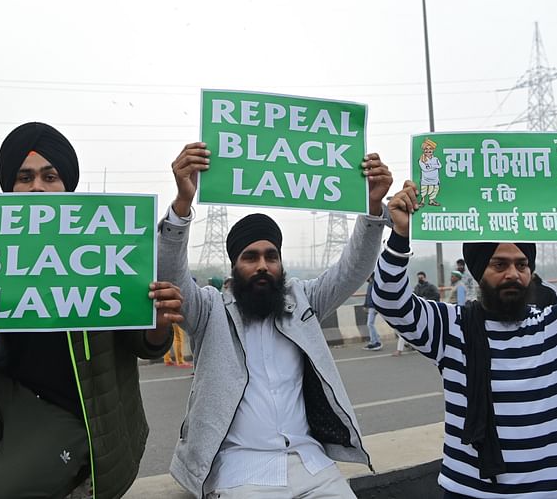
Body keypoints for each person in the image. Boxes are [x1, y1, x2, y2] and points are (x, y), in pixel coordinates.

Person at [0, 122, 183, 499]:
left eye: (50, 176)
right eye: (24, 177)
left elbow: (145, 343)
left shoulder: (108, 254)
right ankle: (14, 465)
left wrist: (157, 324)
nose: (37, 187)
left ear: (67, 187)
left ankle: (45, 472)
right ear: (9, 189)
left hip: (75, 417)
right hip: (7, 402)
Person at [372, 165, 557, 498]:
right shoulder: (450, 329)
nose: (513, 274)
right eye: (499, 264)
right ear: (478, 272)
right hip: (468, 493)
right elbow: (388, 300)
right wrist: (400, 235)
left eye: (522, 264)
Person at [160, 142, 393, 498]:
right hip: (239, 469)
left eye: (271, 256)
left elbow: (352, 270)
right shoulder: (210, 311)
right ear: (234, 267)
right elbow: (170, 276)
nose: (263, 266)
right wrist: (182, 204)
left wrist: (373, 207)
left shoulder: (303, 302)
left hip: (310, 463)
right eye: (250, 257)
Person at [362, 274, 382, 351]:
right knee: (370, 324)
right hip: (370, 306)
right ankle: (375, 341)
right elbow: (368, 296)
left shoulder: (374, 284)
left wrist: (377, 307)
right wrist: (365, 305)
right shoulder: (370, 284)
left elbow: (377, 296)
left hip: (373, 307)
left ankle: (376, 342)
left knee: (370, 324)